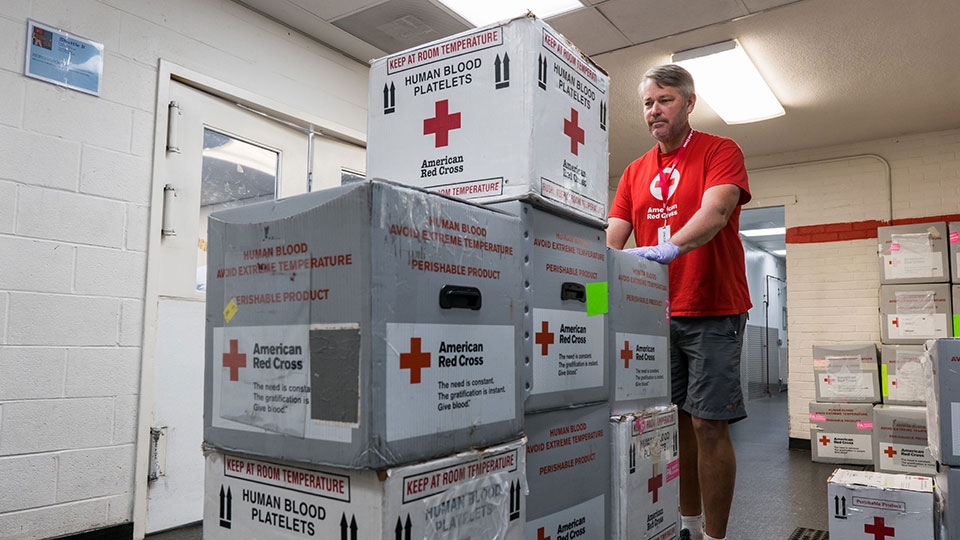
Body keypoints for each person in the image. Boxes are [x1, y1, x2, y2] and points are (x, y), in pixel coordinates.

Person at [607, 64, 751, 540]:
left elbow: (717, 211)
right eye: (648, 103)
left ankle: (716, 536)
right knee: (673, 426)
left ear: (689, 102)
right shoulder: (634, 172)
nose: (654, 111)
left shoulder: (720, 150)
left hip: (712, 308)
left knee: (709, 426)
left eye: (664, 100)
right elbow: (612, 240)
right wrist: (586, 288)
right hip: (655, 315)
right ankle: (687, 526)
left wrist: (671, 247)